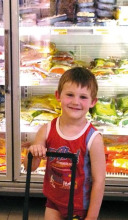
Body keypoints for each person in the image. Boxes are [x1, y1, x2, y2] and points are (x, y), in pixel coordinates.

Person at [24, 67, 106, 220]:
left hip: (80, 206)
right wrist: (33, 151)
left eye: (83, 97)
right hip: (53, 201)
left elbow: (99, 180)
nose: (76, 102)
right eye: (70, 95)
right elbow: (31, 166)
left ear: (93, 102)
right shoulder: (47, 130)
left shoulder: (93, 139)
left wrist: (92, 217)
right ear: (58, 96)